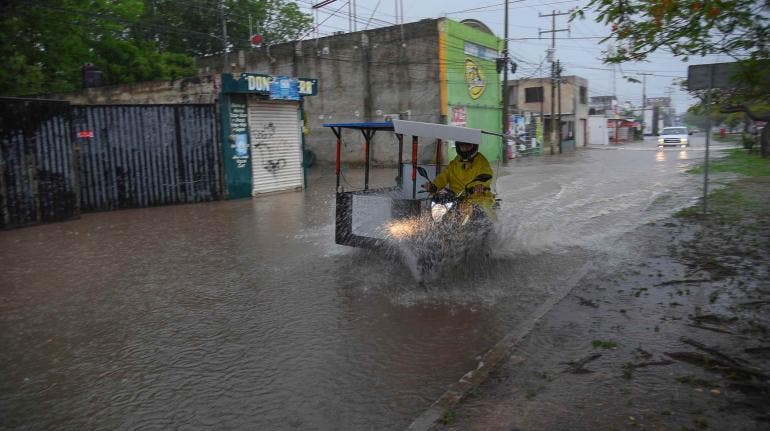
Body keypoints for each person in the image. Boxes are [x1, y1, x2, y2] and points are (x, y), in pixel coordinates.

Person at [421, 141, 495, 214]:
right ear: (458, 146)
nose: (465, 148)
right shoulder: (454, 163)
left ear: (474, 146)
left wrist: (480, 185)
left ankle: (483, 225)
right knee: (438, 206)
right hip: (455, 198)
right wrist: (434, 185)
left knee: (480, 213)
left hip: (476, 197)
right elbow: (444, 176)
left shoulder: (481, 161)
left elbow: (486, 173)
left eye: (468, 146)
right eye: (462, 146)